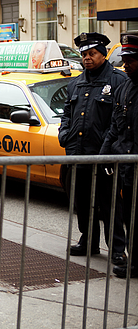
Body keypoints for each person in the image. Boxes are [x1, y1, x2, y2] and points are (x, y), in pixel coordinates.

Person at [58, 32, 127, 265]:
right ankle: (88, 241)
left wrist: (107, 150)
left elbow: (118, 122)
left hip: (104, 157)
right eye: (84, 54)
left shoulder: (118, 81)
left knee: (109, 206)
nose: (87, 58)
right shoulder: (76, 82)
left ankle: (117, 249)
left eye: (92, 53)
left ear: (103, 54)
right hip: (78, 153)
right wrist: (64, 134)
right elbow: (67, 113)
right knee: (82, 201)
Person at [100, 33, 138, 278]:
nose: (125, 64)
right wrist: (104, 152)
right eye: (124, 58)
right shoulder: (125, 87)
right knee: (131, 217)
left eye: (131, 59)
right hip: (127, 164)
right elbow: (116, 125)